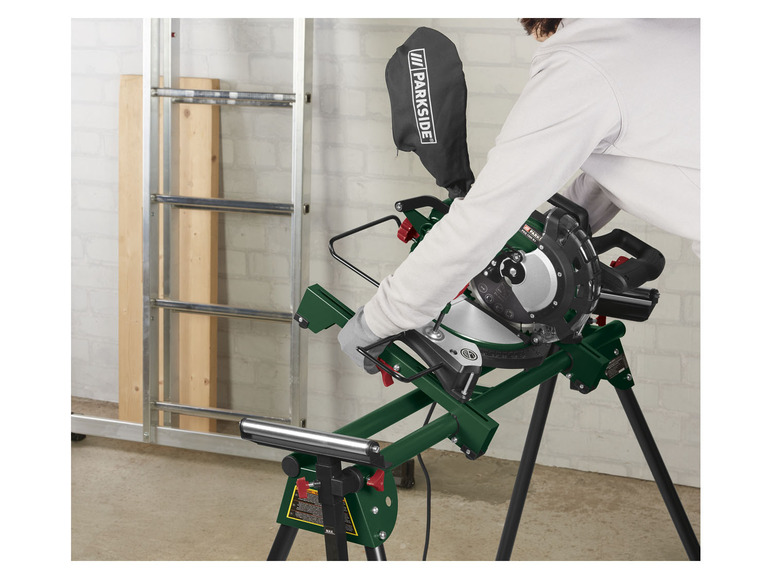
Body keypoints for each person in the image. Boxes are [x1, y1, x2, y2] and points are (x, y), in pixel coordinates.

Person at [339, 18, 700, 373]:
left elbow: (485, 216)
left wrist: (376, 321)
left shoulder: (581, 65)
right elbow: (621, 166)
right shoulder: (659, 25)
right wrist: (553, 237)